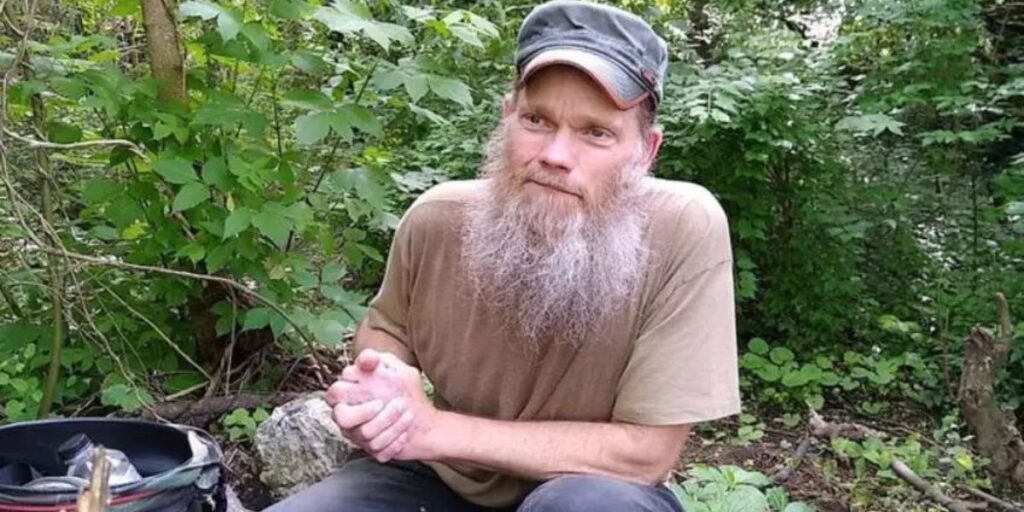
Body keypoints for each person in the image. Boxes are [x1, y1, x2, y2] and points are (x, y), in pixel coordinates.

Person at [266, 1, 741, 510]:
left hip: (591, 487)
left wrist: (435, 429)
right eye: (537, 120)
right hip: (435, 484)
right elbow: (387, 330)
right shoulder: (438, 219)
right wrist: (379, 381)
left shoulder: (682, 231)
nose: (556, 156)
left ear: (646, 151)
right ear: (507, 117)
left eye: (595, 132)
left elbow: (643, 454)